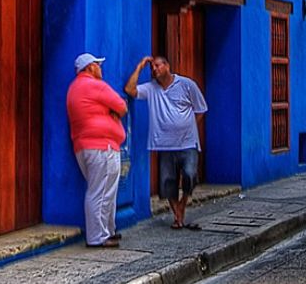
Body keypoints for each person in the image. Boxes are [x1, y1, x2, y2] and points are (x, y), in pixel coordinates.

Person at [125, 54, 208, 230]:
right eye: (152, 67)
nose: (155, 69)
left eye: (158, 66)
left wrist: (188, 128)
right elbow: (130, 90)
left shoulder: (186, 85)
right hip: (163, 144)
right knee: (168, 182)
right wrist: (140, 66)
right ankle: (178, 216)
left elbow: (201, 109)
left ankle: (182, 205)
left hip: (188, 143)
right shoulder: (151, 89)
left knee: (189, 175)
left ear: (167, 66)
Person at [66, 52, 127, 248]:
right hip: (102, 146)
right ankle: (97, 237)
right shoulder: (94, 85)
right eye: (98, 65)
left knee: (104, 190)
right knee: (100, 192)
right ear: (90, 67)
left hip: (84, 146)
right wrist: (112, 112)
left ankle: (108, 231)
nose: (100, 68)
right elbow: (121, 106)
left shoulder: (74, 88)